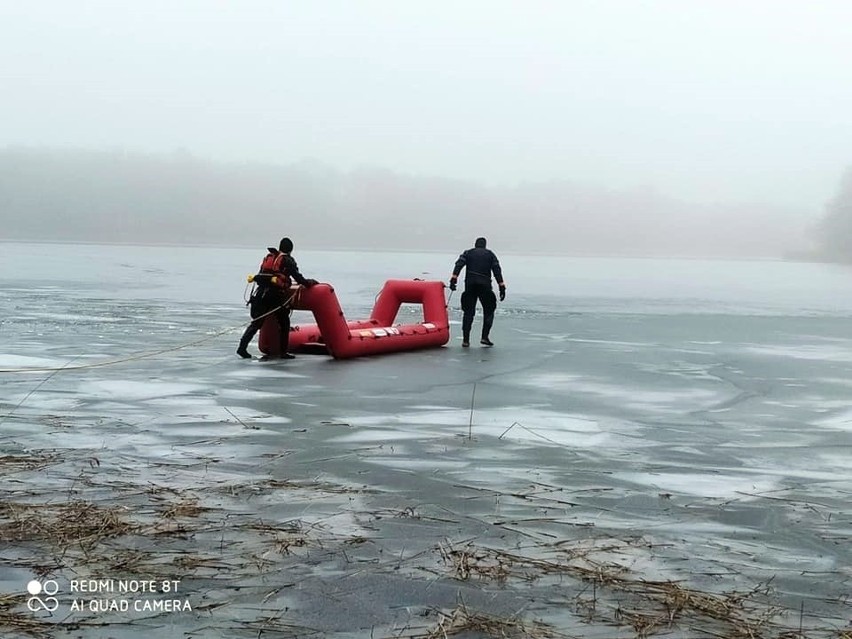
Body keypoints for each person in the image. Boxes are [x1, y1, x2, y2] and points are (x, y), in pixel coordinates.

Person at [237, 237, 318, 360]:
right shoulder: (287, 260)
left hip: (261, 293)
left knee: (256, 323)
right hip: (274, 295)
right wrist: (309, 283)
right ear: (291, 249)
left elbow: (262, 274)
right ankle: (283, 352)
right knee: (284, 322)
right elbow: (298, 277)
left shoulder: (271, 258)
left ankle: (242, 348)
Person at [448, 237, 506, 347]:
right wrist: (501, 286)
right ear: (485, 245)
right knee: (489, 310)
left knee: (468, 312)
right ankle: (484, 337)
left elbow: (459, 264)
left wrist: (454, 278)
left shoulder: (468, 253)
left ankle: (465, 340)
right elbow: (497, 270)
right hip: (485, 286)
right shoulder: (490, 255)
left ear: (475, 245)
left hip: (470, 285)